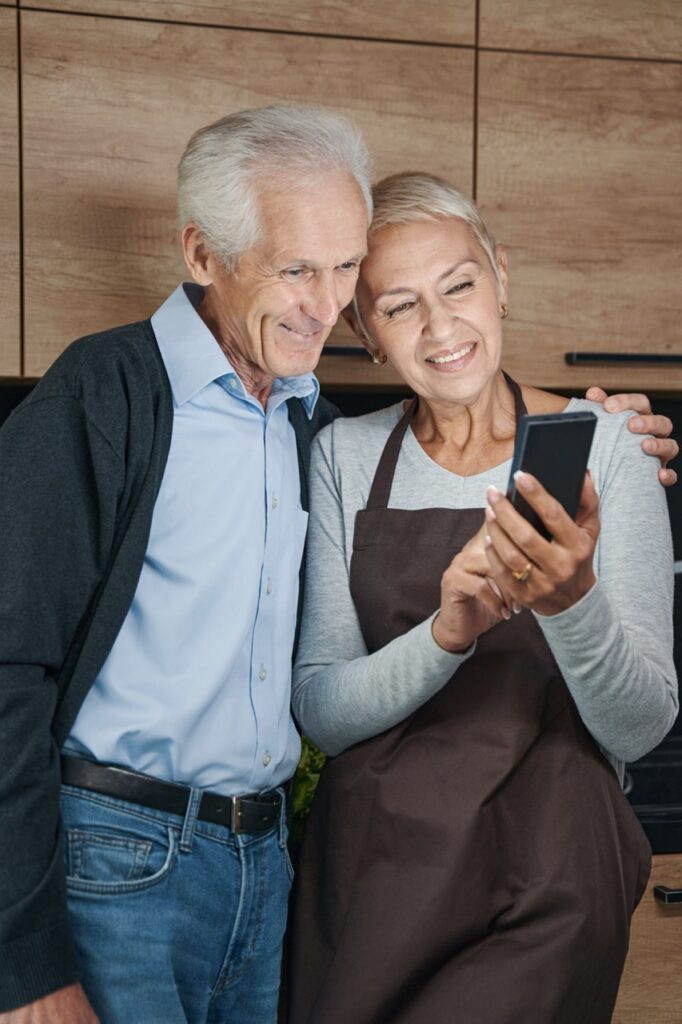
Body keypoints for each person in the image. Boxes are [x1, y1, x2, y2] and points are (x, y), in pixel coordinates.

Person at [0, 110, 674, 1024]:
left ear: (501, 278)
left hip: (278, 864)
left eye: (344, 268)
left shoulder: (302, 418)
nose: (323, 305)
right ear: (203, 254)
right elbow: (12, 665)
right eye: (297, 270)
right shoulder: (128, 398)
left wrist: (576, 569)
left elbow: (639, 716)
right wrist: (25, 962)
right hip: (140, 860)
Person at [287, 172, 678, 1024]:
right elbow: (321, 710)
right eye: (399, 306)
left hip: (547, 878)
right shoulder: (343, 456)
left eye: (459, 285)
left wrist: (569, 601)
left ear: (500, 277)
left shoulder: (610, 448)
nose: (440, 328)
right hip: (374, 879)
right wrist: (446, 633)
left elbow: (641, 726)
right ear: (365, 332)